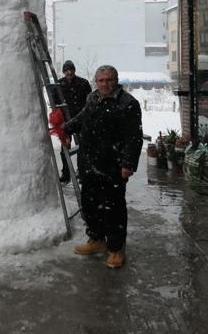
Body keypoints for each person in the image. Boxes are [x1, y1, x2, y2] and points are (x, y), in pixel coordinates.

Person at [63, 65, 143, 269]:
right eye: (101, 80)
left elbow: (133, 137)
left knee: (113, 207)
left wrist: (128, 163)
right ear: (96, 82)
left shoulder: (127, 103)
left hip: (112, 165)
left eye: (109, 80)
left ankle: (116, 248)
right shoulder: (92, 98)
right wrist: (65, 128)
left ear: (116, 80)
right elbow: (81, 118)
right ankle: (97, 240)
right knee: (90, 204)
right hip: (89, 161)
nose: (105, 84)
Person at [56, 60, 92, 183]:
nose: (69, 72)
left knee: (83, 148)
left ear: (74, 70)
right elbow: (55, 103)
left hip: (81, 120)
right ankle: (66, 174)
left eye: (71, 69)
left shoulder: (83, 83)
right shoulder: (59, 84)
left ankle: (82, 173)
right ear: (64, 72)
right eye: (66, 70)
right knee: (65, 149)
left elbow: (89, 102)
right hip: (66, 122)